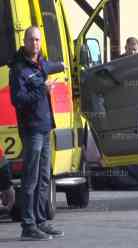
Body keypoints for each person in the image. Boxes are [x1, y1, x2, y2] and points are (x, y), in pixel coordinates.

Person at [9, 26, 64, 241]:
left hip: (45, 127)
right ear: (24, 42)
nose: (35, 44)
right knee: (30, 179)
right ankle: (28, 226)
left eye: (38, 40)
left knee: (43, 178)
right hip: (32, 130)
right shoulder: (19, 69)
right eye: (32, 40)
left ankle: (41, 221)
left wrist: (61, 65)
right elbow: (18, 100)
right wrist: (43, 89)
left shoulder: (39, 61)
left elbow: (48, 66)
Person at [0, 145, 15, 212]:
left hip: (2, 163)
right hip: (3, 162)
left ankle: (8, 207)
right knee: (7, 187)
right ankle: (7, 206)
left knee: (7, 186)